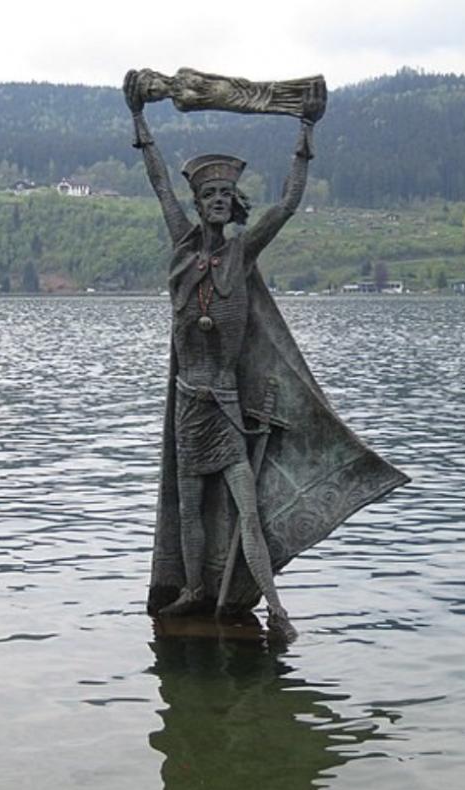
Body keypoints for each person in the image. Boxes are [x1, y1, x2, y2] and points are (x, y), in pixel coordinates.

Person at [123, 71, 321, 641]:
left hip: (227, 409)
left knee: (246, 511)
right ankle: (192, 589)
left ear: (233, 207)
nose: (215, 202)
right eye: (208, 196)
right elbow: (159, 183)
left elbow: (287, 204)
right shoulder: (184, 248)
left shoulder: (242, 254)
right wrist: (139, 120)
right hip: (190, 406)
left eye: (223, 198)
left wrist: (305, 133)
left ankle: (276, 607)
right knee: (189, 508)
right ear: (198, 204)